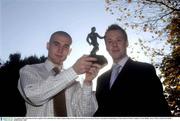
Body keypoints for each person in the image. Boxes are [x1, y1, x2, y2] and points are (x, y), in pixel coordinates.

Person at [18, 31, 102, 117]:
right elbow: (34, 96)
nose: (60, 50)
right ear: (48, 46)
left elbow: (85, 114)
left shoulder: (75, 82)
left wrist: (87, 82)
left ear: (69, 51)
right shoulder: (29, 70)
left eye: (65, 46)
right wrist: (74, 70)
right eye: (56, 44)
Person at [94, 24, 172, 116]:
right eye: (109, 41)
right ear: (106, 46)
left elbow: (160, 108)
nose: (114, 44)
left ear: (126, 43)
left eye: (118, 40)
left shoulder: (145, 70)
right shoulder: (101, 79)